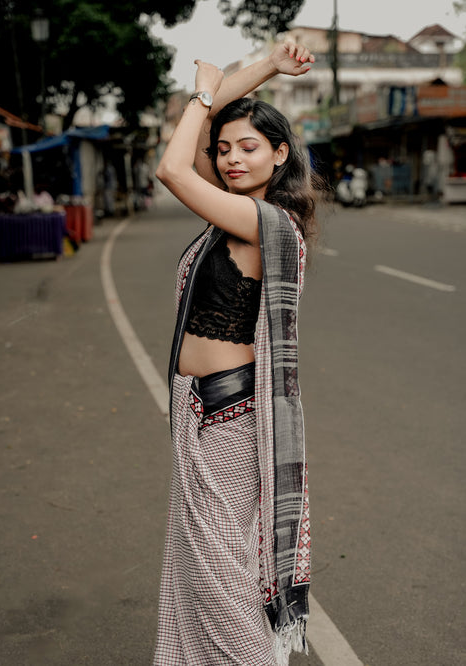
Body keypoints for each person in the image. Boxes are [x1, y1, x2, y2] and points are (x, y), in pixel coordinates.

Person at [154, 37, 318, 666]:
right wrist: (265, 70)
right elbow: (191, 143)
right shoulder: (237, 212)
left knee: (221, 574)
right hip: (196, 408)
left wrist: (204, 88)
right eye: (223, 150)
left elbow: (171, 167)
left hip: (228, 416)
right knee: (199, 569)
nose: (227, 159)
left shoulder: (264, 223)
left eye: (248, 147)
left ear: (280, 155)